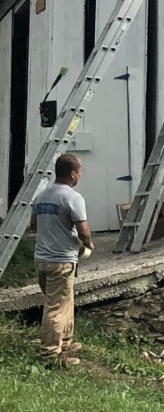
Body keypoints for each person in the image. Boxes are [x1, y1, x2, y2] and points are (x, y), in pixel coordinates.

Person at [31, 152, 94, 365]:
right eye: (80, 172)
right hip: (61, 261)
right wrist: (88, 244)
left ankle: (65, 341)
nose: (80, 175)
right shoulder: (72, 197)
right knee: (56, 307)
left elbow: (34, 226)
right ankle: (49, 354)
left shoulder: (41, 196)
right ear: (73, 174)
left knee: (65, 301)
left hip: (41, 259)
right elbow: (83, 230)